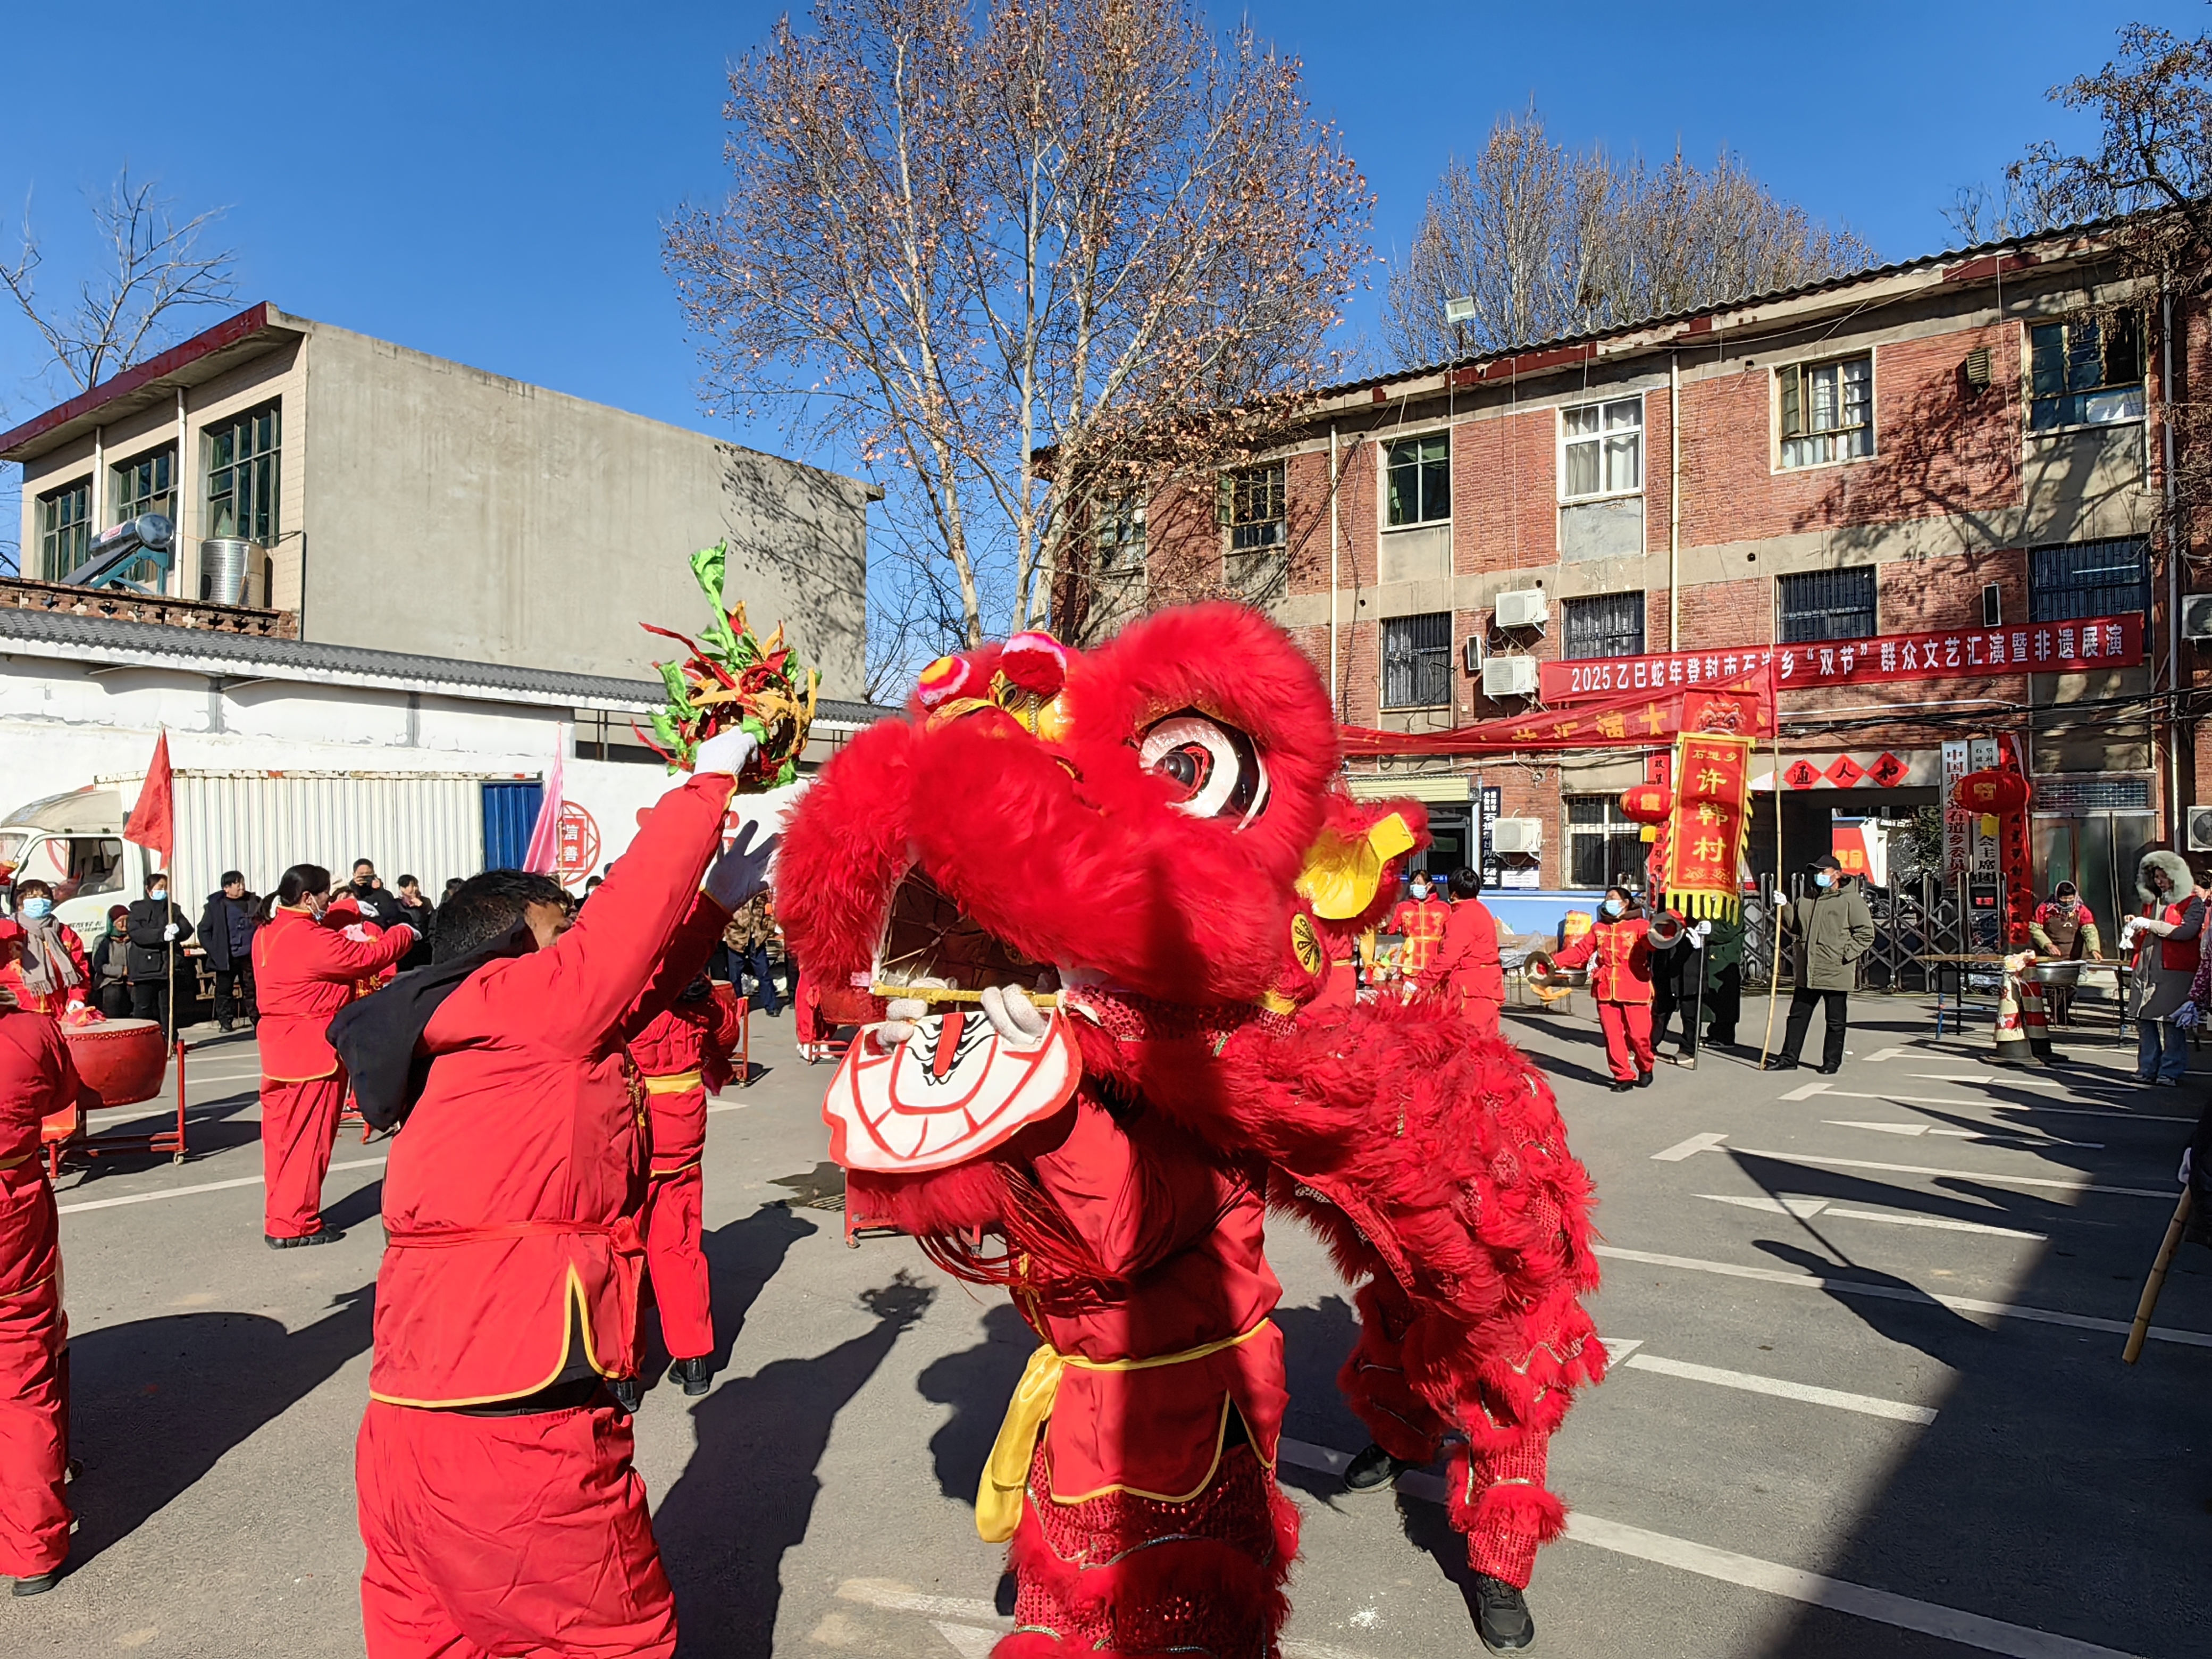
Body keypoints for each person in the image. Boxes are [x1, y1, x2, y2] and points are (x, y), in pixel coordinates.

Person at [348, 728, 772, 1659]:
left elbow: (624, 992)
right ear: (510, 946)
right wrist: (704, 788)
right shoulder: (521, 1004)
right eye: (560, 933)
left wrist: (707, 911)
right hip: (515, 1438)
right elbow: (620, 935)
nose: (577, 949)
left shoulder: (475, 1030)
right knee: (612, 1642)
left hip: (409, 1432)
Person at [251, 865, 417, 1247]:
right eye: (328, 894)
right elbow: (365, 958)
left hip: (279, 1047)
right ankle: (295, 1223)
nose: (332, 900)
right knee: (309, 1143)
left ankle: (282, 1214)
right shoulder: (310, 939)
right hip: (312, 1049)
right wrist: (404, 933)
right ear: (309, 897)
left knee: (281, 1142)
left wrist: (348, 911)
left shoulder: (270, 930)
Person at [0, 929, 80, 1595]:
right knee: (22, 1371)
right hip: (12, 1203)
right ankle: (33, 1552)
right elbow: (61, 1100)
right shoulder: (29, 1034)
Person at [625, 974, 746, 1397]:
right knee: (679, 1243)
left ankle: (623, 1369)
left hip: (629, 1125)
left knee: (623, 1247)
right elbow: (727, 1036)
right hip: (685, 1123)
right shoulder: (699, 992)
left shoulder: (625, 986)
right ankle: (694, 1359)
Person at [1770, 853, 1876, 1074]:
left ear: (1837, 874)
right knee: (1797, 1017)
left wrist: (1845, 955)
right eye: (1816, 872)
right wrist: (1785, 907)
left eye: (1823, 871)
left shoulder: (1850, 900)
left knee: (1835, 1020)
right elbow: (1796, 928)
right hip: (1808, 968)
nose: (1819, 876)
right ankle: (1789, 1057)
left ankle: (1831, 1061)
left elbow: (1865, 934)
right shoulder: (1806, 900)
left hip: (1836, 969)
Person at [1549, 885, 1655, 1090]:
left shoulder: (1640, 926)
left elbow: (1656, 942)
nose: (1608, 902)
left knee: (1639, 1036)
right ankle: (1623, 1076)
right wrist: (1554, 962)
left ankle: (1646, 1066)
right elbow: (1580, 952)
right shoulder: (1599, 928)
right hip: (1606, 986)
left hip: (1635, 985)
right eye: (1607, 898)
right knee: (1612, 1035)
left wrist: (1671, 926)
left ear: (1625, 903)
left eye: (1613, 898)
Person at [2124, 851, 2204, 1086]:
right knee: (2144, 1019)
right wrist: (2135, 926)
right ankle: (2147, 1067)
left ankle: (2170, 1070)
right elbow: (2150, 929)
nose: (2159, 881)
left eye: (2164, 876)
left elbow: (2186, 932)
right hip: (2147, 966)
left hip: (2174, 969)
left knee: (2171, 1021)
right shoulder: (2153, 901)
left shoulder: (2192, 901)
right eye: (2156, 876)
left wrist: (2151, 924)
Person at [1415, 868, 1505, 1038]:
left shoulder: (1462, 916)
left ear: (1454, 894)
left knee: (1466, 1046)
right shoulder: (1482, 911)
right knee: (1487, 1048)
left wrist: (1421, 982)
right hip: (1488, 986)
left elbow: (1448, 957)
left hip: (1470, 990)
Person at [0, 883, 90, 1021]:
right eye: (33, 897)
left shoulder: (64, 933)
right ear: (20, 903)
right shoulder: (8, 930)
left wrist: (77, 999)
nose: (40, 901)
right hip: (17, 1012)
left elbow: (81, 971)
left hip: (57, 1013)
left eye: (44, 896)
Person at [124, 874, 193, 1036]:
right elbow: (137, 933)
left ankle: (170, 1040)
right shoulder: (137, 910)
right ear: (149, 890)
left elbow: (188, 929)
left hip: (167, 966)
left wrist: (178, 930)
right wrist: (161, 935)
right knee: (144, 1006)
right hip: (145, 967)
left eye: (165, 888)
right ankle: (141, 1040)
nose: (163, 891)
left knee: (168, 1007)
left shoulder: (172, 909)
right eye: (160, 888)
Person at [2029, 880, 2103, 1027]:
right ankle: (2056, 1015)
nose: (2068, 902)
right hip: (2051, 956)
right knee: (2053, 988)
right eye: (2064, 899)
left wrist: (2094, 949)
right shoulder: (2045, 909)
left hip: (2072, 955)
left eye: (2070, 899)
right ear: (2057, 896)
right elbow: (2035, 928)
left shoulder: (2081, 910)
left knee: (2070, 987)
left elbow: (2089, 930)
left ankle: (2063, 1014)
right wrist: (2048, 944)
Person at [198, 871, 262, 1032]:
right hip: (227, 956)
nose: (242, 887)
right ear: (226, 888)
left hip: (250, 955)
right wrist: (214, 951)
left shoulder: (254, 902)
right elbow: (204, 930)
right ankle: (225, 1021)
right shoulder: (216, 906)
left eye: (242, 883)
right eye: (237, 884)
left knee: (252, 989)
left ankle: (257, 1021)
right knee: (224, 990)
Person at [1647, 912, 1711, 1065]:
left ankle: (1688, 1049)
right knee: (1660, 1013)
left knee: (1690, 1015)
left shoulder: (1700, 912)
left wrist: (1703, 940)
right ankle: (1649, 1045)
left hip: (1690, 975)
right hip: (1665, 972)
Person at [719, 890, 784, 1017]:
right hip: (736, 939)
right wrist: (728, 931)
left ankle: (771, 1006)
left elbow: (768, 913)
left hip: (757, 939)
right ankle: (738, 1007)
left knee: (764, 974)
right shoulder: (734, 891)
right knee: (735, 977)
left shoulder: (759, 892)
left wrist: (768, 929)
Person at [1384, 870, 1452, 981]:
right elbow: (1390, 930)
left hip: (1435, 963)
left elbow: (1451, 935)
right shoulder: (1403, 907)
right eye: (1413, 884)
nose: (1415, 886)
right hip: (1410, 963)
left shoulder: (1444, 908)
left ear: (1429, 885)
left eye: (1419, 883)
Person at [1700, 909, 1745, 1048]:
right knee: (1713, 995)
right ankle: (1715, 1033)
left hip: (1726, 954)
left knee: (1726, 997)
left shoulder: (1733, 904)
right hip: (1714, 952)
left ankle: (1725, 1036)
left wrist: (1711, 930)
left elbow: (1730, 929)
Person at [88, 908, 132, 1019]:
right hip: (109, 981)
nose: (124, 924)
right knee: (113, 994)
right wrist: (122, 971)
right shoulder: (103, 940)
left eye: (127, 920)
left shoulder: (135, 938)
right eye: (119, 921)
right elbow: (99, 966)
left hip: (132, 979)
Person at [347, 860, 407, 931]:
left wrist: (379, 890)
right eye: (361, 875)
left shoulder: (383, 894)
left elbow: (391, 914)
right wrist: (355, 887)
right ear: (354, 875)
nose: (365, 879)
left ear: (373, 875)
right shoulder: (348, 893)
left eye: (368, 875)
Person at [392, 876, 437, 972]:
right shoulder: (396, 904)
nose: (415, 889)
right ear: (402, 889)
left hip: (424, 945)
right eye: (412, 886)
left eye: (416, 885)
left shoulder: (425, 902)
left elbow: (433, 919)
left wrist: (421, 906)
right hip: (407, 948)